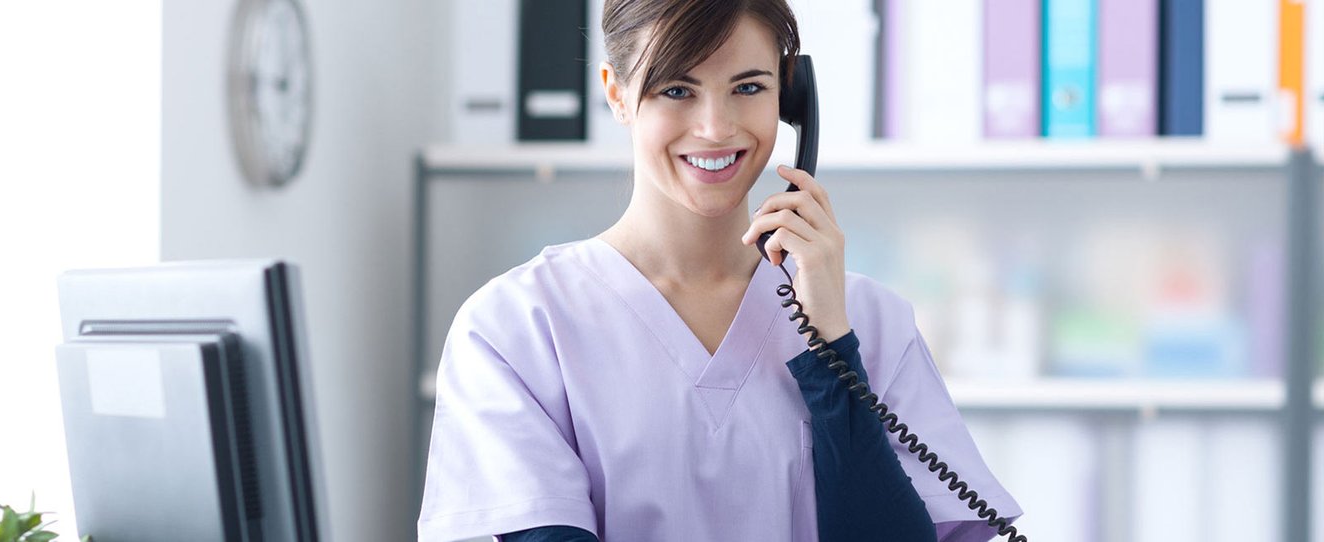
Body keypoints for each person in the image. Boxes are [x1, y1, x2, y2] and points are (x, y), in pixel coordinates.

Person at [417, 0, 1022, 540]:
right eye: (677, 90)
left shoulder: (869, 320)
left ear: (791, 100)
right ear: (617, 94)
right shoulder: (515, 327)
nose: (716, 127)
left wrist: (833, 350)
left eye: (748, 87)